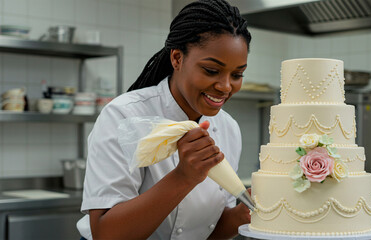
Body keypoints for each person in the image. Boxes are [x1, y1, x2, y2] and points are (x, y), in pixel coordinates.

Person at [76, 0, 252, 239]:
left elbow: (209, 232)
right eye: (211, 71)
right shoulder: (124, 115)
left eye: (237, 74)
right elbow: (106, 233)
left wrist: (245, 212)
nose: (225, 86)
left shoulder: (229, 128)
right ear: (177, 59)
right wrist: (184, 176)